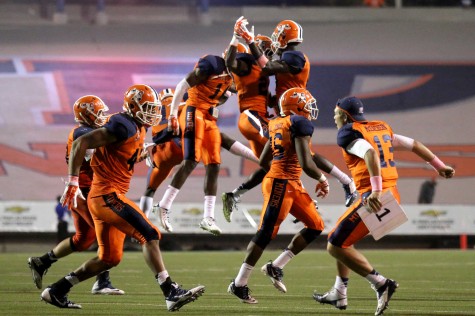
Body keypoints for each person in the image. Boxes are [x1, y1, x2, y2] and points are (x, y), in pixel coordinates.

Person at [41, 84, 204, 311]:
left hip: (104, 197)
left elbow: (122, 154)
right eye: (147, 107)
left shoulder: (136, 127)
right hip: (106, 194)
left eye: (153, 108)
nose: (153, 113)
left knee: (109, 258)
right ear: (133, 106)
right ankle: (170, 291)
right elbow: (81, 142)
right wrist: (73, 180)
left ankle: (57, 290)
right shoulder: (123, 124)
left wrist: (146, 150)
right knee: (150, 233)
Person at [313, 96, 455, 316]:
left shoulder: (348, 132)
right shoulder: (380, 128)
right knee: (343, 241)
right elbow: (414, 145)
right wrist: (439, 166)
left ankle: (381, 283)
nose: (333, 117)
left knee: (335, 245)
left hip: (375, 196)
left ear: (344, 115)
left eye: (335, 113)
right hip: (390, 193)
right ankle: (339, 293)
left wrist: (376, 190)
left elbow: (369, 153)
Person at [222, 17, 357, 220]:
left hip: (296, 108)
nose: (270, 46)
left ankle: (345, 182)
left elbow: (267, 68)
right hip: (280, 111)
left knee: (299, 156)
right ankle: (236, 195)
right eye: (264, 47)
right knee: (273, 163)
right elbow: (248, 79)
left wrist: (250, 41)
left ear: (284, 37)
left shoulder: (294, 57)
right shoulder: (262, 63)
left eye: (273, 41)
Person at [228, 87, 329, 304]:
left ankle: (276, 266)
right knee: (265, 233)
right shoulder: (299, 123)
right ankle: (239, 284)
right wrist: (322, 179)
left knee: (316, 225)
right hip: (281, 184)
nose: (310, 109)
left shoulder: (275, 123)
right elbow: (306, 162)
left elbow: (264, 161)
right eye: (307, 104)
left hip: (288, 182)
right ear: (296, 105)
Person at [28, 95, 124, 295]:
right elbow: (101, 155)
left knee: (83, 239)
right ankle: (102, 281)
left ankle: (41, 262)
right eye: (99, 113)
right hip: (85, 191)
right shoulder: (84, 133)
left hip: (79, 191)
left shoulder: (85, 131)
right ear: (88, 114)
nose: (103, 116)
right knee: (103, 233)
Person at [139, 88, 259, 218]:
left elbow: (158, 134)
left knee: (150, 189)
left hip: (169, 152)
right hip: (168, 151)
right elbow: (160, 135)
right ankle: (258, 158)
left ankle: (146, 220)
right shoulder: (186, 103)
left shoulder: (183, 105)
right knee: (216, 140)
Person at [155, 52, 233, 236]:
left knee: (214, 164)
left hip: (207, 116)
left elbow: (235, 90)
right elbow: (183, 85)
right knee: (191, 159)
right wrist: (173, 114)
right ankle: (164, 204)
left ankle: (208, 217)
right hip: (193, 110)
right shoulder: (213, 64)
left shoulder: (234, 76)